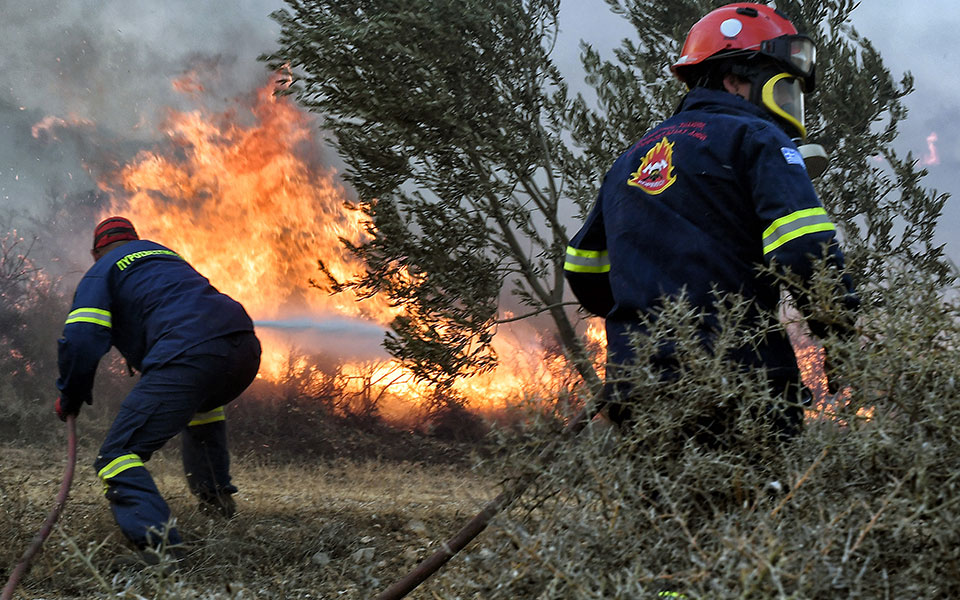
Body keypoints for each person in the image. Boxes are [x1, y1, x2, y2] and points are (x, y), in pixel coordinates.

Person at [564, 3, 857, 440]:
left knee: (661, 507)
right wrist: (841, 336)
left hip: (638, 387)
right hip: (741, 385)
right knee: (757, 507)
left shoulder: (632, 157)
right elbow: (803, 249)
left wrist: (647, 316)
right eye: (783, 86)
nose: (790, 103)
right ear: (735, 80)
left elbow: (583, 267)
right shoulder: (758, 139)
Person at [55, 216, 261, 558]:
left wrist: (71, 394)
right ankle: (217, 504)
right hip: (244, 348)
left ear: (96, 252)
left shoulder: (103, 269)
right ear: (135, 240)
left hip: (189, 353)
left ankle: (163, 552)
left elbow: (81, 338)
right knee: (202, 408)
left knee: (116, 456)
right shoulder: (165, 256)